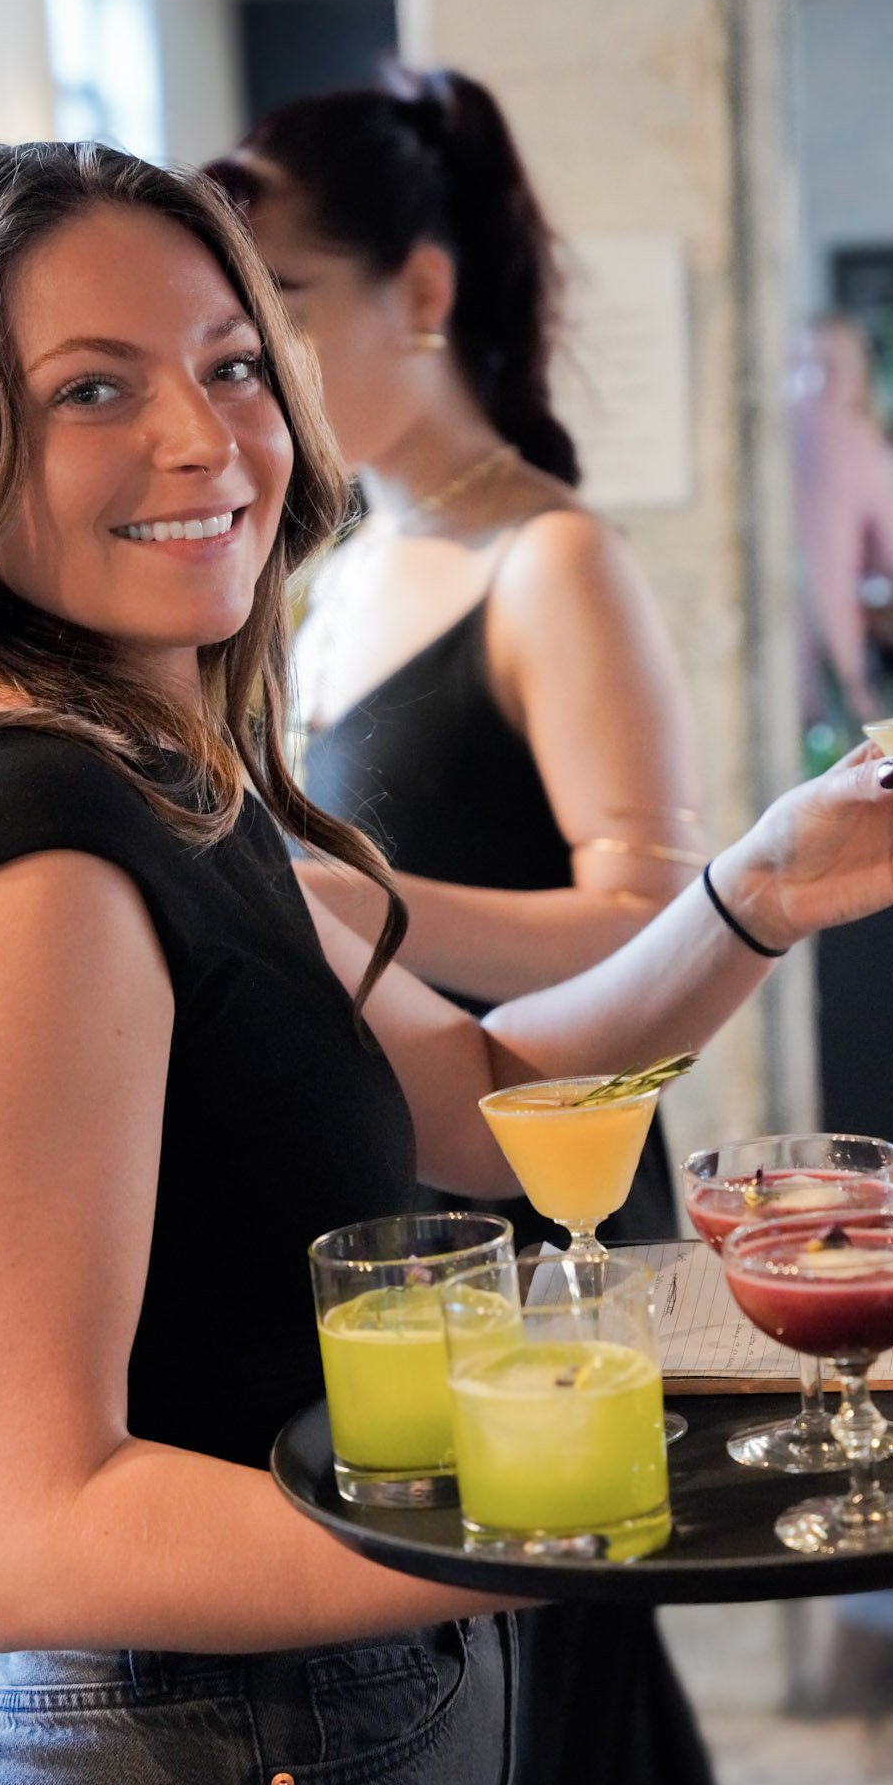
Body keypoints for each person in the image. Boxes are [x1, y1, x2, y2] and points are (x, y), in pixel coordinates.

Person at [0, 140, 893, 1785]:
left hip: (311, 1735)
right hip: (185, 1767)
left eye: (235, 362)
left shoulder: (156, 777)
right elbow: (34, 1532)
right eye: (91, 388)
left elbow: (484, 1111)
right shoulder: (34, 847)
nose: (204, 440)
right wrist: (585, 1522)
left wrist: (754, 894)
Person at [208, 71, 701, 1252]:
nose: (257, 365)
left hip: (541, 1191)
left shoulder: (551, 558)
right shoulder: (334, 562)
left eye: (287, 310)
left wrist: (350, 906)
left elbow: (658, 921)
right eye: (238, 330)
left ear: (423, 288)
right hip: (386, 1183)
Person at [791, 315, 893, 727]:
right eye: (808, 364)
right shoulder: (854, 437)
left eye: (830, 366)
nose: (819, 380)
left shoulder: (772, 427)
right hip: (826, 673)